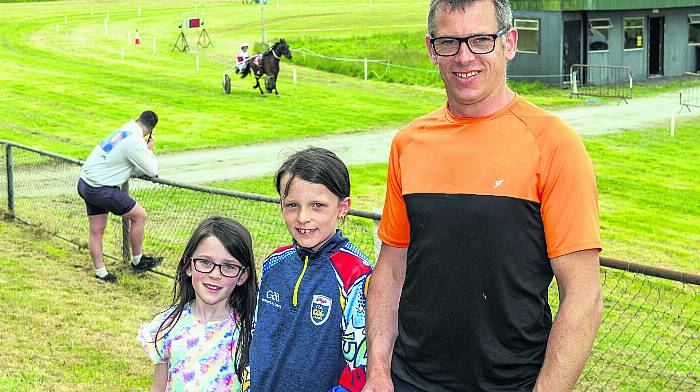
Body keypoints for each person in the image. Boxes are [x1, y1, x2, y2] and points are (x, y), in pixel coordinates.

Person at [365, 1, 603, 391]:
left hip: (513, 383)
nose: (464, 57)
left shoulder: (555, 144)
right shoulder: (408, 143)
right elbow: (391, 269)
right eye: (449, 43)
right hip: (411, 380)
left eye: (480, 40)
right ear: (431, 49)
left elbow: (583, 296)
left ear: (509, 43)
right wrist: (377, 370)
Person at [246, 147, 372, 392]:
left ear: (343, 207)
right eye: (292, 205)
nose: (303, 217)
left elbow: (359, 366)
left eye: (317, 205)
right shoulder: (274, 263)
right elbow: (257, 334)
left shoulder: (356, 275)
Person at [137, 216, 258, 391]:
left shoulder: (250, 331)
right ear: (188, 265)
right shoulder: (166, 326)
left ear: (243, 276)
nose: (215, 274)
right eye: (205, 262)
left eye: (229, 266)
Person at [77, 110, 163, 282]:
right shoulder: (136, 141)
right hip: (102, 188)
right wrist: (149, 151)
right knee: (140, 216)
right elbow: (152, 170)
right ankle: (138, 260)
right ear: (150, 131)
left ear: (138, 119)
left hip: (85, 183)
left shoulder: (123, 131)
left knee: (96, 230)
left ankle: (101, 273)